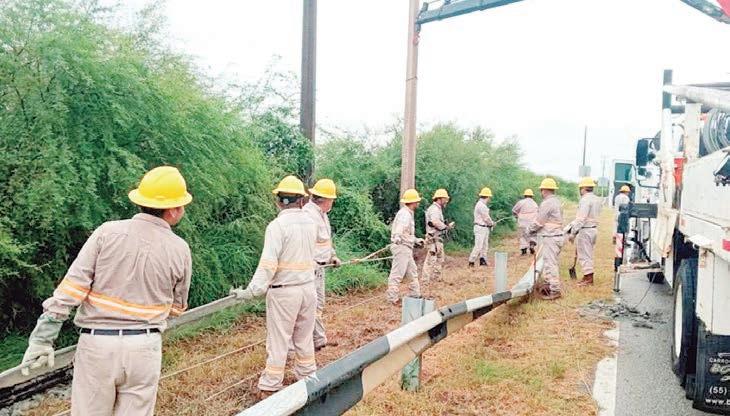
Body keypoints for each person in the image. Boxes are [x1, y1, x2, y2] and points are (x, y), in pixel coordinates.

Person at [20, 166, 193, 415]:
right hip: (144, 347)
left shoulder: (107, 232)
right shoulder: (180, 249)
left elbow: (73, 287)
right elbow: (177, 307)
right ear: (173, 210)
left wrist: (42, 338)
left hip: (97, 345)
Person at [229, 175, 317, 393]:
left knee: (278, 341)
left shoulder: (277, 226)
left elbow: (268, 264)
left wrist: (251, 291)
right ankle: (308, 378)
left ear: (278, 201)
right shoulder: (311, 223)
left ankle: (270, 384)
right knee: (304, 338)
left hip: (284, 293)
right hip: (308, 289)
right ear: (302, 200)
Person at [303, 178, 341, 351]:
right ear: (325, 199)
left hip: (320, 268)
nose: (332, 203)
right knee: (309, 306)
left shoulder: (323, 215)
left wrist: (332, 256)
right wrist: (310, 264)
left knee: (318, 304)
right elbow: (305, 243)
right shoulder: (308, 215)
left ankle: (319, 339)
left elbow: (325, 241)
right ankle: (311, 342)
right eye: (331, 199)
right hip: (311, 268)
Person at [527, 178, 564, 300]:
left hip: (551, 237)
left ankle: (555, 290)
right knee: (550, 262)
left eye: (541, 190)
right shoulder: (557, 202)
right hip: (556, 236)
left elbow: (539, 222)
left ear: (544, 190)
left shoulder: (547, 203)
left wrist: (529, 230)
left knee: (550, 263)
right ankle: (548, 286)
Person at [386, 188, 424, 305]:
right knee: (397, 274)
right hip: (401, 247)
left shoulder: (408, 213)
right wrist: (397, 237)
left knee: (412, 272)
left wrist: (416, 240)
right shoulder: (404, 214)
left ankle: (415, 295)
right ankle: (392, 298)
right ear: (413, 202)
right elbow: (400, 229)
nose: (418, 203)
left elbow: (406, 233)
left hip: (406, 247)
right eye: (417, 201)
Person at [568, 177, 603, 286]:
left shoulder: (585, 200)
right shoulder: (597, 199)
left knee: (584, 255)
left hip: (585, 230)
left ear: (582, 188)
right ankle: (586, 276)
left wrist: (573, 233)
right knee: (588, 253)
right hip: (593, 229)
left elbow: (581, 219)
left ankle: (588, 278)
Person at [422, 189, 455, 284]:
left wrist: (445, 226)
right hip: (433, 238)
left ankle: (436, 279)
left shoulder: (437, 209)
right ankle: (425, 281)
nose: (446, 201)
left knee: (439, 259)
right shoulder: (434, 209)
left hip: (437, 239)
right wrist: (446, 227)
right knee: (430, 260)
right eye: (445, 199)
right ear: (440, 198)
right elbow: (435, 222)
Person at [468, 187, 495, 267]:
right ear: (488, 197)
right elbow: (486, 218)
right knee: (479, 246)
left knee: (484, 246)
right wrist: (492, 223)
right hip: (480, 227)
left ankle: (482, 260)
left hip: (484, 227)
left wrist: (490, 223)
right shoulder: (481, 206)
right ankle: (471, 261)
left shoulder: (481, 204)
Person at [512, 189, 539, 256]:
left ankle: (524, 251)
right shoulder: (535, 204)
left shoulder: (521, 202)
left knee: (523, 235)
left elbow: (514, 210)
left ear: (524, 195)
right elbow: (538, 213)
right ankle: (532, 245)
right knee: (533, 234)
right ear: (532, 196)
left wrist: (516, 216)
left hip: (522, 221)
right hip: (532, 221)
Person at [613, 185, 631, 271]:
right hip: (623, 218)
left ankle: (615, 238)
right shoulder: (626, 198)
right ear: (626, 192)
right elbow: (626, 208)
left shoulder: (617, 197)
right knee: (623, 236)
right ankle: (619, 263)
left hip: (617, 217)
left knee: (617, 233)